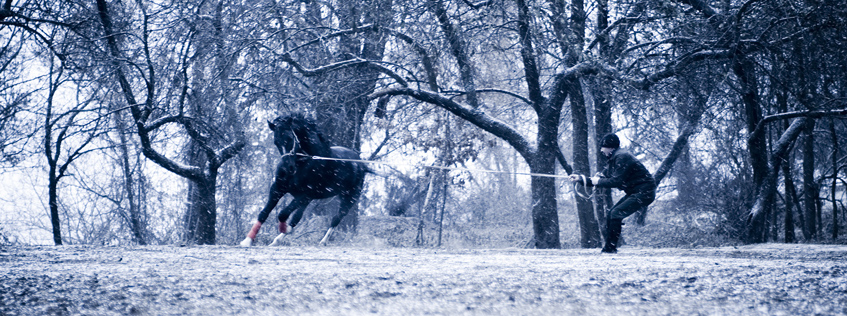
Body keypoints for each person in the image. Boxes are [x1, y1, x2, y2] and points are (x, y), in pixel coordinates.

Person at [569, 133, 656, 253]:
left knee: (616, 213)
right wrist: (580, 178)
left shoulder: (622, 157)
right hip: (636, 191)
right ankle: (610, 247)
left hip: (644, 191)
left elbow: (615, 181)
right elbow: (602, 178)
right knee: (612, 214)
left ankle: (610, 248)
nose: (601, 150)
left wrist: (596, 180)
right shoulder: (615, 158)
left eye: (603, 147)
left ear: (610, 147)